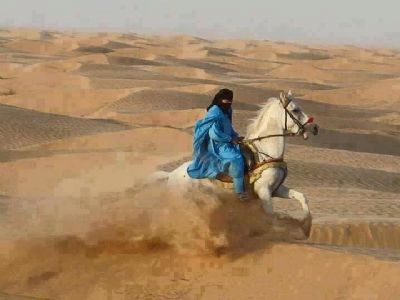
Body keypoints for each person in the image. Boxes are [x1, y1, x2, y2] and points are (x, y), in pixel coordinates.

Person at [187, 88, 248, 201]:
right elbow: (214, 133)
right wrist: (230, 139)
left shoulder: (227, 110)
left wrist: (236, 136)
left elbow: (229, 127)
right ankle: (239, 192)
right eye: (226, 100)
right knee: (237, 158)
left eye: (230, 100)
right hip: (217, 144)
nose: (229, 102)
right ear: (220, 99)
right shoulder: (215, 111)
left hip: (227, 141)